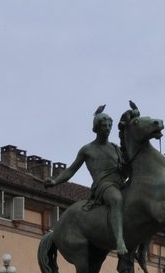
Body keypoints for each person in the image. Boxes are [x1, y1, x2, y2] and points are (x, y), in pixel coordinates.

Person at [46, 104, 129, 257]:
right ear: (97, 128)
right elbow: (71, 170)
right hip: (104, 185)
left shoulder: (115, 148)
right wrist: (55, 181)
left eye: (109, 125)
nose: (108, 128)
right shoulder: (88, 150)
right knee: (116, 199)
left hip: (120, 182)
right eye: (104, 125)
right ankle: (119, 241)